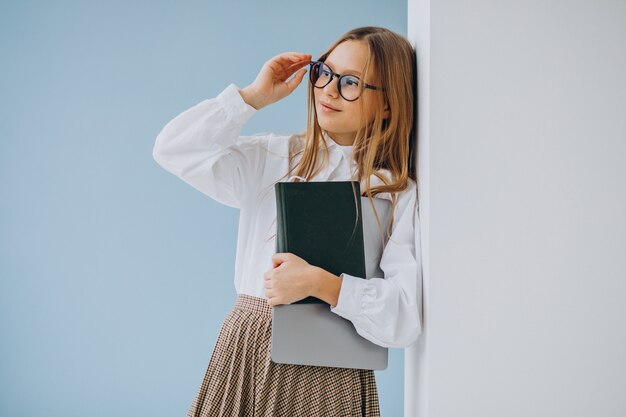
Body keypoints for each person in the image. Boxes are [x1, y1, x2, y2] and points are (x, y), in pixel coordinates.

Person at [153, 26, 422, 417]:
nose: (329, 89)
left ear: (387, 105)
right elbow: (173, 149)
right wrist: (251, 98)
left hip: (336, 377)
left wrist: (325, 286)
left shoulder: (394, 191)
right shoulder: (273, 157)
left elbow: (404, 319)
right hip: (249, 353)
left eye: (351, 83)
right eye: (324, 72)